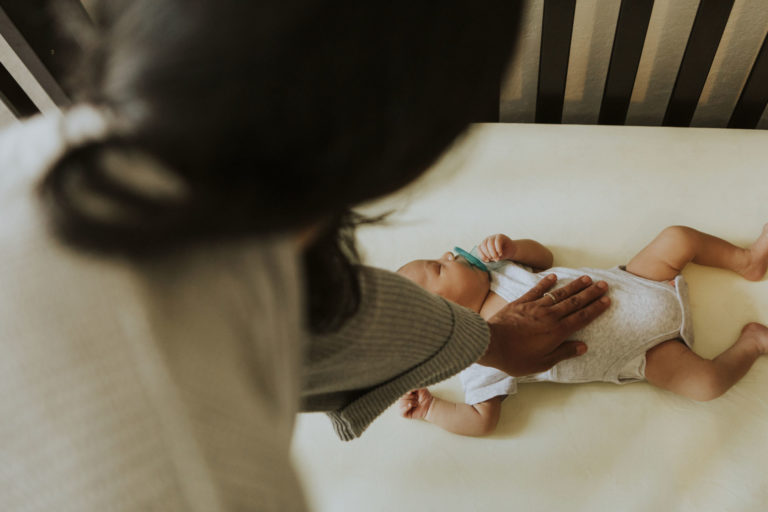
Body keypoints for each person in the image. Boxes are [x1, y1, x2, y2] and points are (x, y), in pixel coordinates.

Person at [0, 1, 611, 511]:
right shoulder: (201, 482)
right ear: (410, 157)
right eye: (432, 271)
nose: (439, 267)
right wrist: (471, 365)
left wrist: (489, 338)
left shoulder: (52, 151)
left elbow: (341, 311)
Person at [397, 226, 768, 437]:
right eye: (439, 268)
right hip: (645, 353)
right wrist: (431, 408)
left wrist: (514, 247)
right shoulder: (479, 356)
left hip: (637, 280)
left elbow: (544, 259)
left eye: (441, 256)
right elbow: (482, 420)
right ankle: (752, 343)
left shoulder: (499, 270)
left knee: (677, 238)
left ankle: (747, 261)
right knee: (706, 385)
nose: (448, 255)